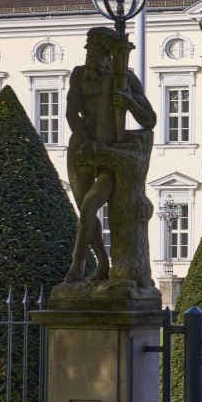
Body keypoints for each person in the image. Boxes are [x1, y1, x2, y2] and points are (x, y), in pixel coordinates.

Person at [63, 27, 156, 282]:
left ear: (109, 51)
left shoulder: (124, 78)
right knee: (84, 209)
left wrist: (129, 102)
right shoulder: (80, 76)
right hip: (82, 150)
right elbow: (71, 113)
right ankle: (102, 264)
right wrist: (84, 137)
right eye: (89, 47)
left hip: (110, 154)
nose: (91, 52)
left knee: (89, 208)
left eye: (97, 47)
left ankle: (78, 266)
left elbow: (150, 120)